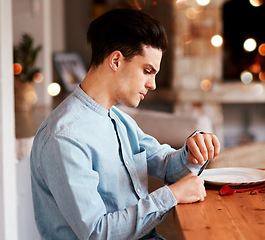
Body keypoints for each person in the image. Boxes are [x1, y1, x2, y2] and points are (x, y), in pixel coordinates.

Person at [30, 8, 220, 240]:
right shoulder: (64, 137)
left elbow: (167, 165)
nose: (153, 84)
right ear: (116, 60)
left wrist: (192, 151)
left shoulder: (118, 119)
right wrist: (171, 195)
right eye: (147, 71)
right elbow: (97, 234)